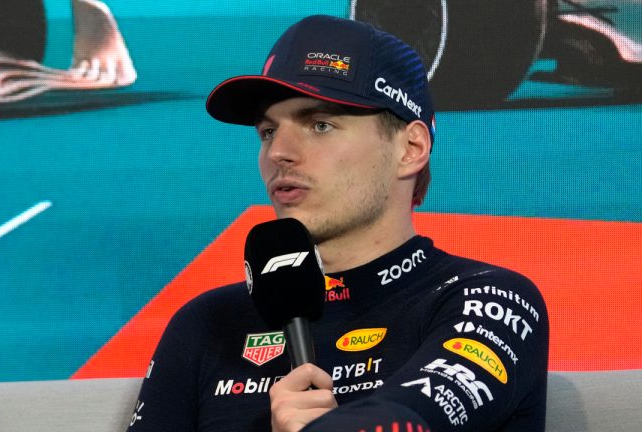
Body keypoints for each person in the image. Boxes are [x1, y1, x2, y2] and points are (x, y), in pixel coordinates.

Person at [127, 14, 548, 432]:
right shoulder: (207, 322)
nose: (279, 153)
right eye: (268, 131)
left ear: (411, 148)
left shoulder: (490, 300)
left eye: (320, 124)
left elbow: (411, 421)